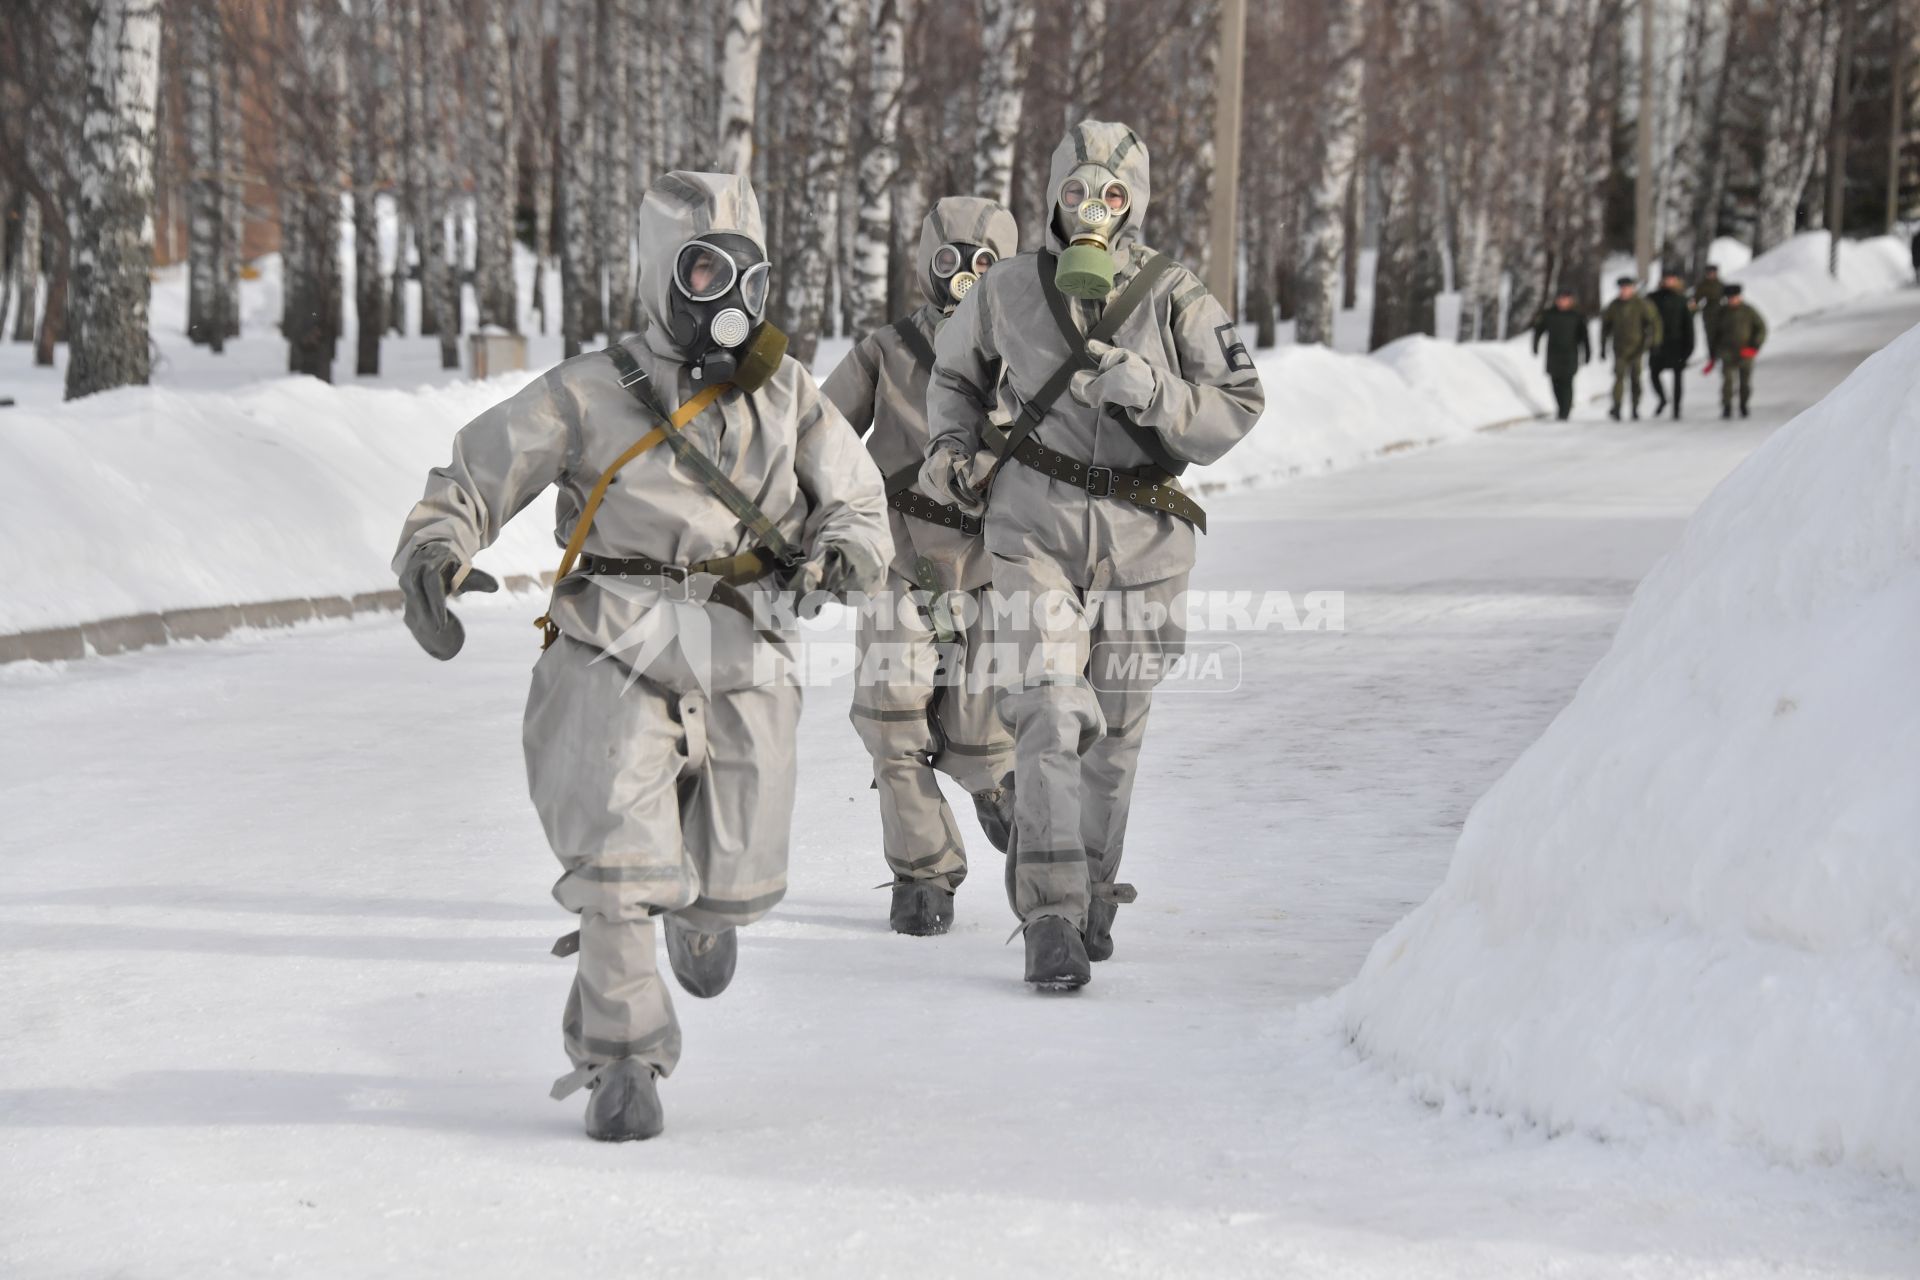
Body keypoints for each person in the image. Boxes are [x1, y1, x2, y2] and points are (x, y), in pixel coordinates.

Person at [390, 171, 891, 1141]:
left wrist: (847, 551)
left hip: (745, 644)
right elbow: (478, 470)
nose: (730, 300)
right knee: (618, 864)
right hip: (611, 641)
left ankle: (705, 909)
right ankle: (623, 1058)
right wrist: (437, 549)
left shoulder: (788, 396)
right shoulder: (589, 390)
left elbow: (858, 499)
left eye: (749, 279)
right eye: (705, 271)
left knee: (735, 873)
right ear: (664, 276)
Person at [922, 120, 1265, 990]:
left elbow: (1240, 403)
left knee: (1112, 735)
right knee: (1046, 705)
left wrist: (1154, 392)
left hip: (1145, 537)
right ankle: (1048, 912)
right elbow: (954, 376)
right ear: (1050, 194)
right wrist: (949, 448)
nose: (1092, 211)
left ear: (1137, 204)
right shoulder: (1003, 289)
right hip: (1032, 526)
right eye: (1076, 192)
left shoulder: (1175, 293)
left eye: (1113, 196)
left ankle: (1092, 892)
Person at [821, 197, 1020, 936]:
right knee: (890, 719)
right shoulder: (888, 350)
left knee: (977, 733)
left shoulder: (1029, 355)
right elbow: (821, 434)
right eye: (949, 261)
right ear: (924, 266)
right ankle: (923, 872)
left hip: (994, 568)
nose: (964, 278)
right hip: (900, 565)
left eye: (984, 264)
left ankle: (995, 783)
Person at [1599, 276, 1661, 421]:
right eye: (1622, 288)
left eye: (1627, 288)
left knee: (1635, 379)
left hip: (1637, 348)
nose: (1625, 291)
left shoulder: (1641, 304)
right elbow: (1605, 327)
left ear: (1632, 288)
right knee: (1619, 378)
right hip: (1619, 349)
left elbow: (1654, 323)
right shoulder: (1614, 306)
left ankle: (1635, 407)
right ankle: (1617, 406)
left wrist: (1654, 343)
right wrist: (1602, 346)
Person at [1531, 287, 1590, 421]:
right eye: (1560, 299)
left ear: (1570, 300)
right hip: (1553, 354)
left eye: (1565, 299)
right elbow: (1538, 330)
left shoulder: (1577, 315)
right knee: (1555, 382)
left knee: (1567, 382)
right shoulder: (1549, 314)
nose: (1562, 301)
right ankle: (1560, 407)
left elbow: (1584, 337)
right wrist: (1535, 346)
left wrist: (1587, 353)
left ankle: (1565, 410)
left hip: (1570, 354)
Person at [1646, 271, 1697, 419]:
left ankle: (1676, 408)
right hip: (1659, 343)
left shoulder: (1683, 299)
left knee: (1678, 377)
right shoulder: (1653, 298)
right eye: (1666, 279)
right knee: (1654, 373)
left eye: (1671, 279)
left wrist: (1690, 346)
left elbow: (1689, 324)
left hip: (1677, 344)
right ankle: (1662, 398)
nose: (1669, 282)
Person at [1714, 283, 1766, 418]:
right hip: (1727, 353)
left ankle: (1743, 404)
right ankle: (1727, 406)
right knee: (1728, 381)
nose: (1732, 300)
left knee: (1745, 382)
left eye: (1735, 297)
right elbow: (1714, 333)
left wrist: (1754, 346)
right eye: (1730, 298)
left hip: (1746, 352)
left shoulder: (1748, 311)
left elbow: (1761, 328)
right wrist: (1715, 350)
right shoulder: (1722, 312)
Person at [1694, 264, 1725, 374]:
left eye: (1713, 272)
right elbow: (1696, 299)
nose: (1711, 274)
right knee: (1710, 336)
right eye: (1709, 273)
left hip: (1721, 312)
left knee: (1722, 334)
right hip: (1708, 313)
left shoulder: (1721, 284)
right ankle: (1712, 357)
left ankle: (1721, 355)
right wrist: (1695, 308)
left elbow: (1727, 297)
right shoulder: (1702, 285)